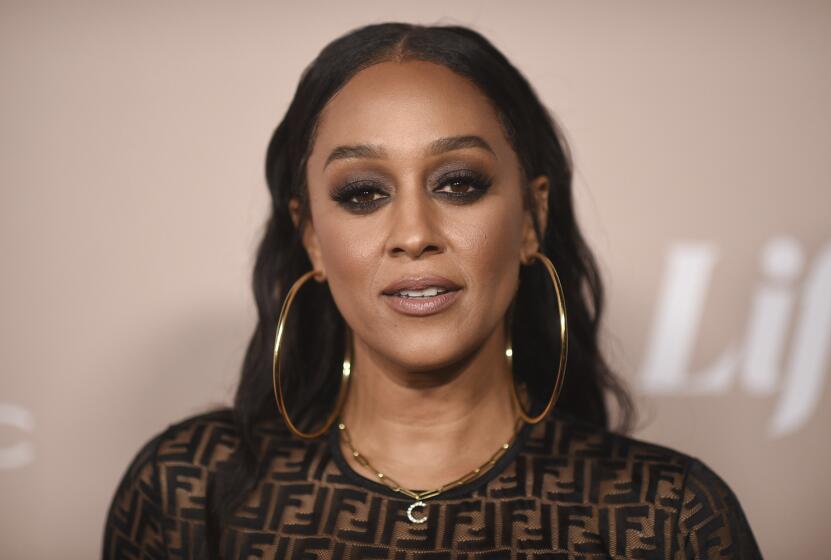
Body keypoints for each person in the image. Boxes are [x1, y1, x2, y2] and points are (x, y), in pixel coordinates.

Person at [102, 22, 763, 559]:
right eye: (363, 193)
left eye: (459, 184)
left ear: (531, 219)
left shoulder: (668, 515)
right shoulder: (187, 491)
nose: (414, 233)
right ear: (310, 237)